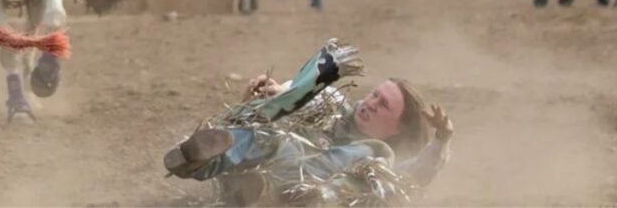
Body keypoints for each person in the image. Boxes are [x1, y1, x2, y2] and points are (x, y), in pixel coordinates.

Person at [163, 45, 453, 206]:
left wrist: (441, 140)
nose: (371, 103)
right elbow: (295, 97)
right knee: (268, 138)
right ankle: (197, 162)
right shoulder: (333, 102)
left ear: (399, 128)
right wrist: (274, 92)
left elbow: (415, 175)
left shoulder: (382, 162)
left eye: (384, 105)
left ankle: (275, 194)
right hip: (277, 168)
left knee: (375, 159)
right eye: (374, 94)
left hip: (319, 191)